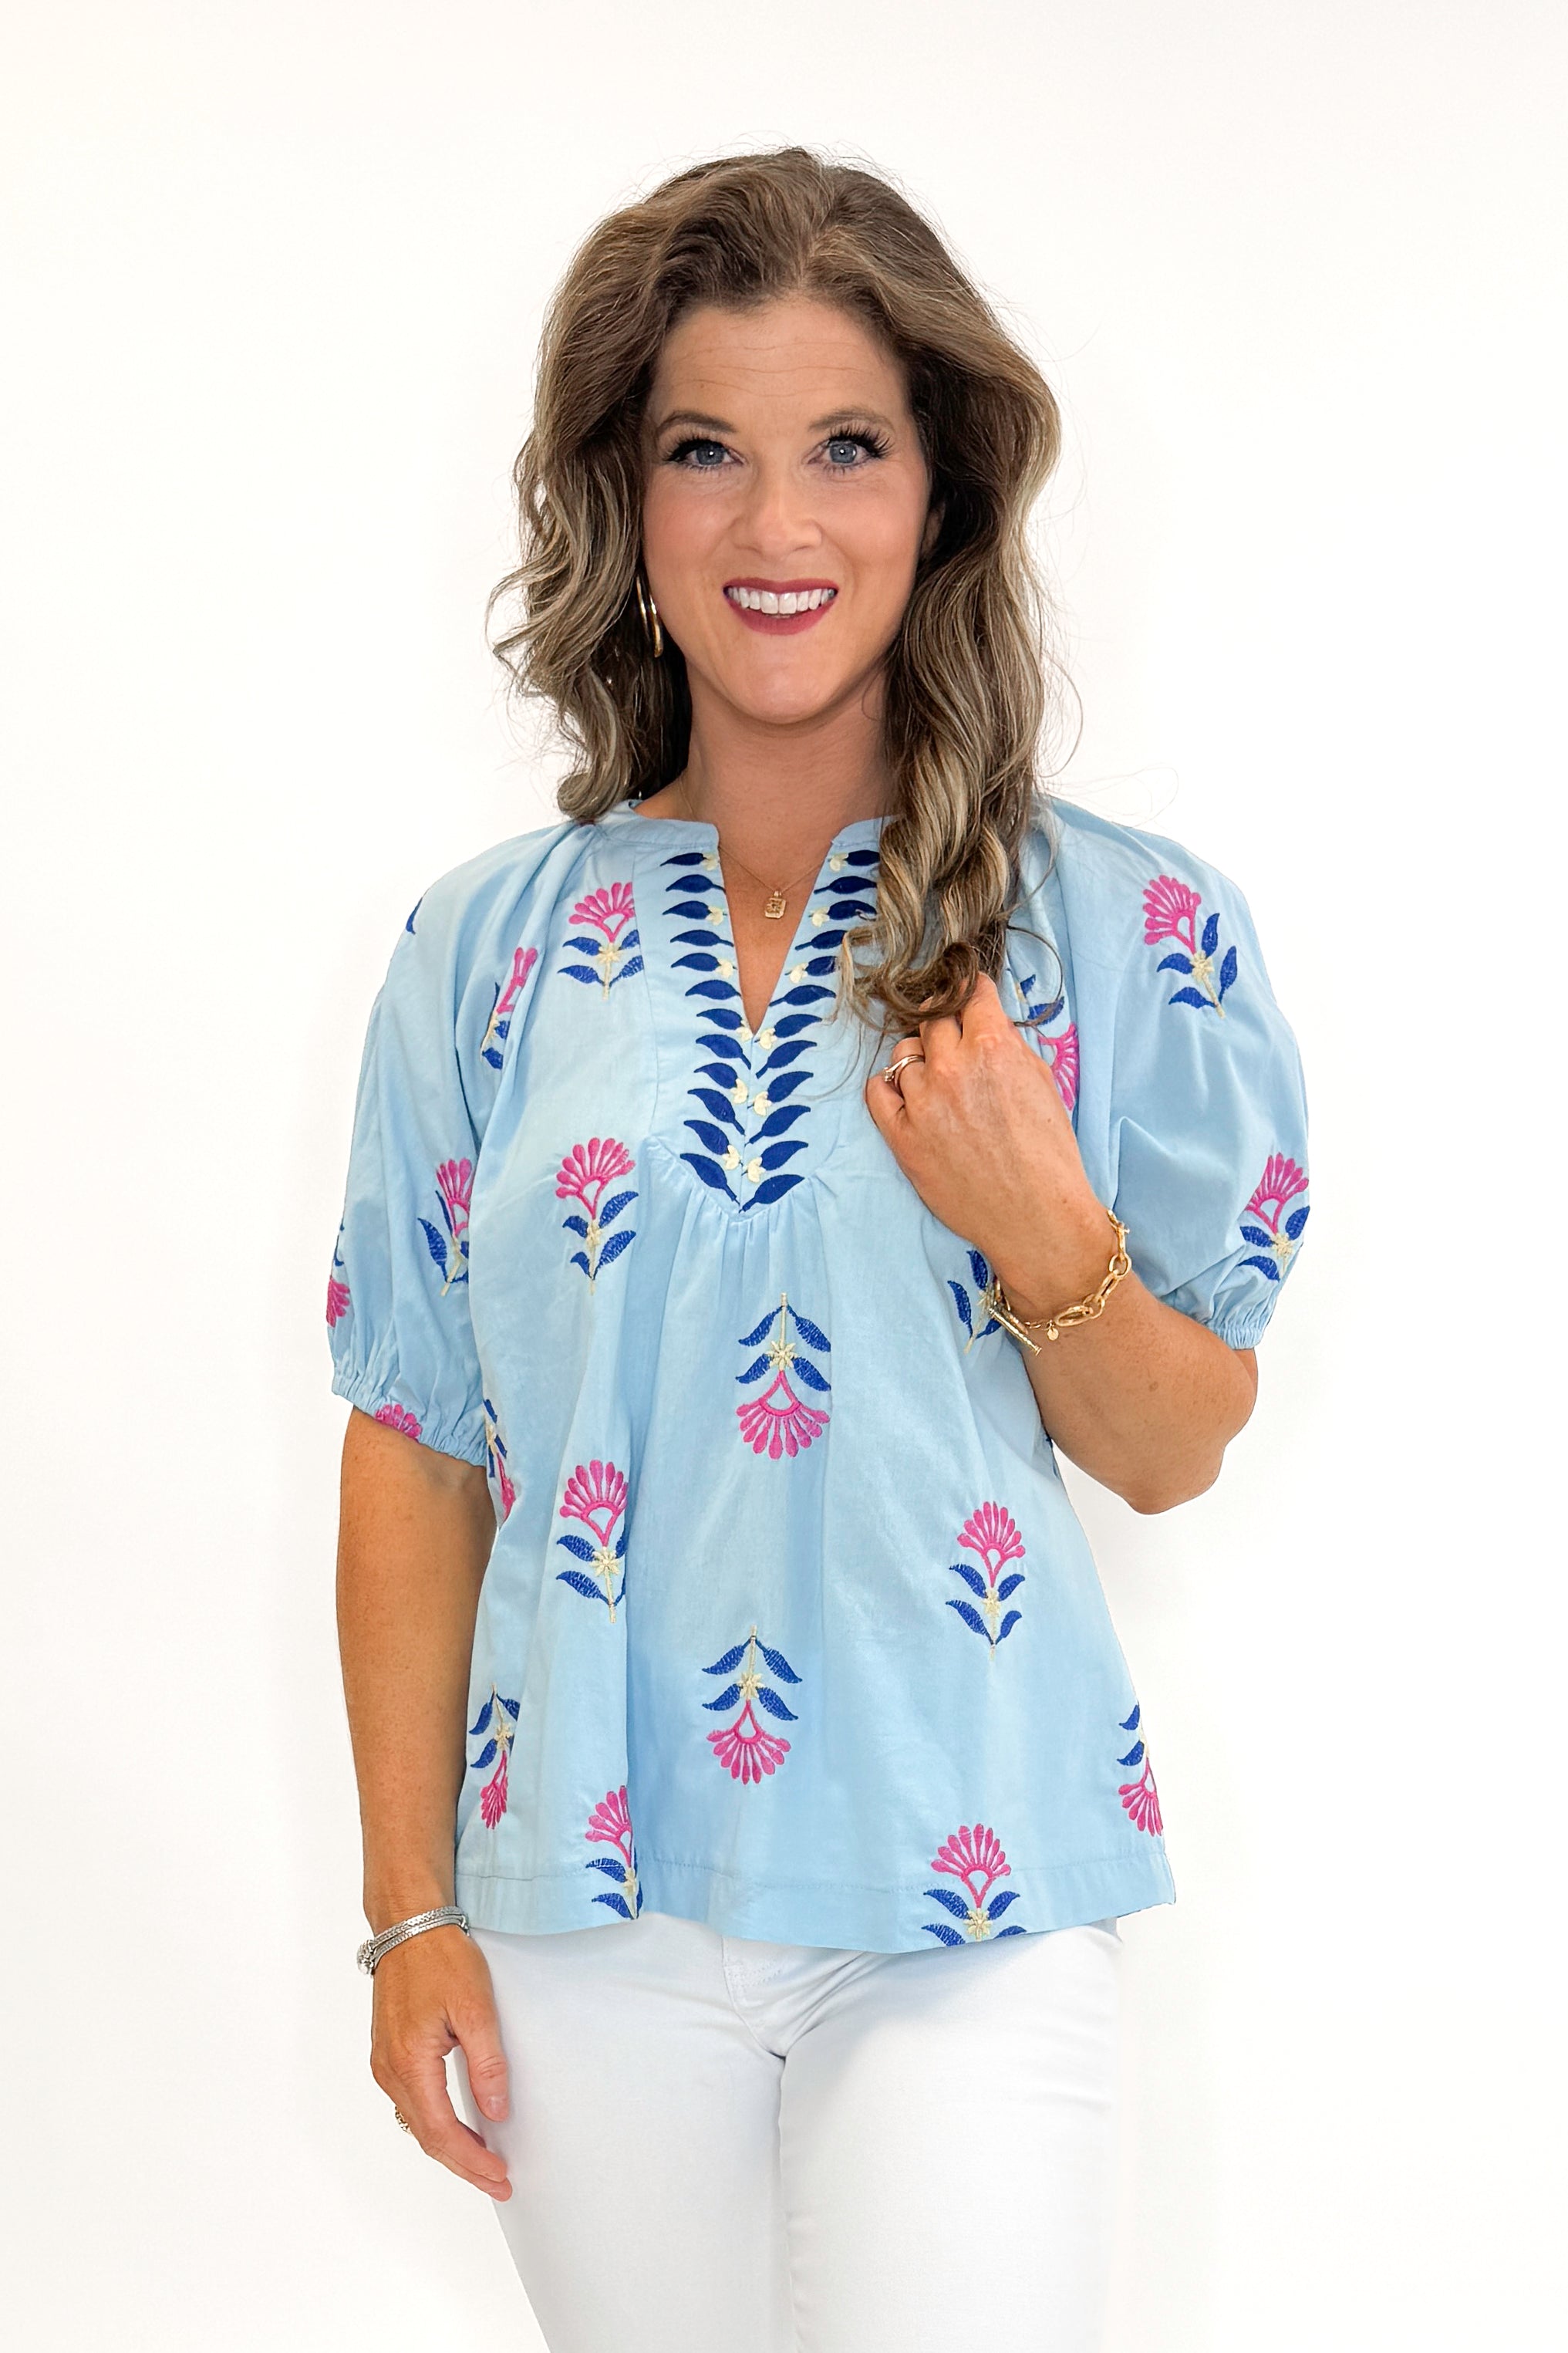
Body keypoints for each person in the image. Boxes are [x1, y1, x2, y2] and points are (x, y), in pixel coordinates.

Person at [327, 147, 1310, 2353]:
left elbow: (1170, 1450)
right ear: (627, 507)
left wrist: (1039, 1220)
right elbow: (413, 1440)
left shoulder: (1125, 931)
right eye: (706, 453)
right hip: (574, 1901)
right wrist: (406, 1917)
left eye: (844, 449)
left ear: (939, 498)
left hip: (968, 1883)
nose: (778, 530)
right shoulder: (484, 948)